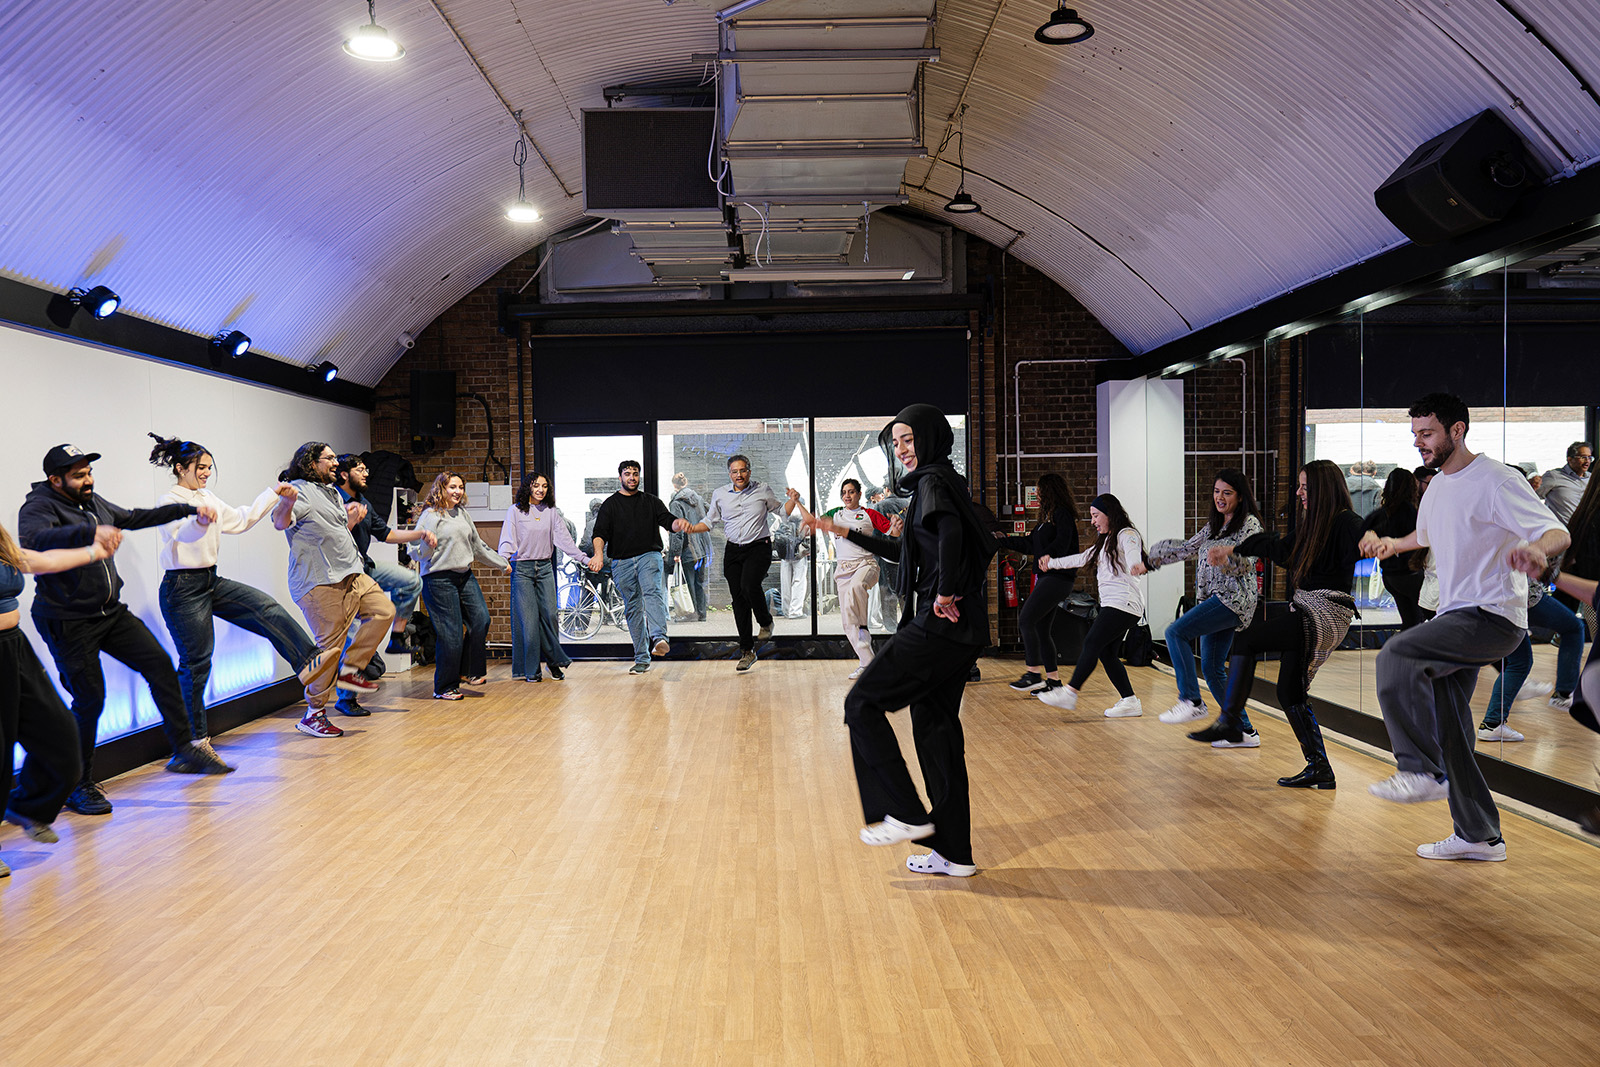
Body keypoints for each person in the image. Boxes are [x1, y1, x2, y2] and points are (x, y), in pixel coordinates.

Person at [1363, 393, 1568, 862]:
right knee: (1452, 729)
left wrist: (1539, 551)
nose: (1420, 443)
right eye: (1415, 434)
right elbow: (1429, 535)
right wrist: (1393, 544)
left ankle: (1419, 770)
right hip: (1457, 615)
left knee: (1397, 655)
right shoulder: (1436, 486)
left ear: (1457, 431)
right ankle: (1479, 835)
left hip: (1493, 615)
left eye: (1428, 432)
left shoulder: (1497, 480)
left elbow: (1556, 531)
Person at [804, 404, 992, 878]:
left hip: (938, 623)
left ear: (930, 438)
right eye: (897, 441)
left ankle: (904, 810)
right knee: (937, 735)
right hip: (960, 628)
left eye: (909, 439)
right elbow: (903, 550)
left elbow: (949, 533)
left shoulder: (931, 484)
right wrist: (841, 529)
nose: (902, 449)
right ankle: (954, 852)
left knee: (861, 703)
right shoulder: (943, 482)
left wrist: (945, 588)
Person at [19, 444, 220, 815]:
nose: (88, 479)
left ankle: (183, 749)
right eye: (79, 475)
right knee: (91, 700)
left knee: (159, 663)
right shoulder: (38, 507)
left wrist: (189, 508)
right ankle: (77, 785)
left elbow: (134, 517)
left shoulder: (92, 501)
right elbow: (35, 541)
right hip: (67, 620)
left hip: (109, 613)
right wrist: (89, 534)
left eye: (88, 472)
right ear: (56, 479)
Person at [149, 433, 320, 769]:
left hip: (209, 580)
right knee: (196, 664)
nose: (206, 473)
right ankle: (191, 746)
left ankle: (310, 661)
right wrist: (198, 522)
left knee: (264, 607)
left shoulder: (207, 496)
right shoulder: (169, 501)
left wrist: (274, 493)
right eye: (201, 467)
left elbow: (240, 520)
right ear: (180, 467)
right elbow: (179, 534)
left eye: (209, 468)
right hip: (181, 588)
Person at [1200, 460, 1363, 783]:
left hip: (1325, 611)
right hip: (1307, 608)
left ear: (1323, 488)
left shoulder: (1347, 523)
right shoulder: (1314, 525)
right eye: (1300, 485)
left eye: (1305, 486)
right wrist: (1235, 548)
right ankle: (1321, 768)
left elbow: (1364, 539)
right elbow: (1279, 547)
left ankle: (1231, 721)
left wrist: (1381, 543)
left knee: (1246, 640)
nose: (1300, 492)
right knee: (1289, 692)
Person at [1, 520, 120, 867]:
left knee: (63, 734)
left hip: (15, 649)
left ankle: (27, 807)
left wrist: (95, 552)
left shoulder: (2, 546)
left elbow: (42, 562)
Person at [272, 441, 393, 737]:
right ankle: (313, 713)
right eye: (329, 458)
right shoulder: (299, 489)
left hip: (351, 574)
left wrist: (349, 522)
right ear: (312, 463)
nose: (335, 462)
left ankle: (350, 674)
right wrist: (286, 503)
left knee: (384, 611)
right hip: (320, 582)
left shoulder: (331, 493)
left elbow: (334, 533)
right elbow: (279, 522)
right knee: (329, 650)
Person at [1137, 469, 1263, 732]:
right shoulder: (1214, 527)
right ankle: (1243, 730)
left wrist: (1226, 557)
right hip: (1215, 599)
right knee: (1212, 668)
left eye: (1227, 493)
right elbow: (1187, 548)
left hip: (1233, 600)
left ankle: (1191, 700)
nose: (1220, 498)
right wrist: (1150, 562)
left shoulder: (1249, 524)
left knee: (1175, 631)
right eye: (1217, 492)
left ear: (1240, 497)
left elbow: (1250, 562)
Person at [1035, 494, 1148, 718]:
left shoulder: (1127, 534)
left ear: (1110, 514)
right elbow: (1081, 559)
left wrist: (1136, 563)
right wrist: (1052, 563)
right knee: (1106, 653)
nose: (1093, 521)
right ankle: (1130, 701)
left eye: (1096, 516)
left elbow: (1134, 551)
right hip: (1116, 605)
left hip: (1123, 603)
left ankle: (1070, 692)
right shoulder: (1105, 541)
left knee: (1092, 641)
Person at [681, 455, 798, 672]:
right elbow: (709, 521)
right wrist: (691, 527)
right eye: (734, 471)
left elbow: (782, 512)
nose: (739, 475)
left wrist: (793, 498)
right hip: (733, 550)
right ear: (729, 474)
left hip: (759, 546)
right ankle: (747, 650)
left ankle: (765, 621)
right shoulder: (720, 494)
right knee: (739, 601)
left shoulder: (762, 490)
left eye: (743, 470)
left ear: (749, 471)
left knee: (749, 585)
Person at [410, 472, 511, 699]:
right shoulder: (430, 515)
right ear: (441, 489)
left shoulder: (462, 513)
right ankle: (444, 686)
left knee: (481, 620)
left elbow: (478, 546)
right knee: (451, 635)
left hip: (464, 576)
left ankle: (467, 671)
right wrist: (427, 544)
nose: (458, 491)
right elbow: (414, 552)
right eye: (453, 487)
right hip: (438, 579)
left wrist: (501, 563)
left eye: (461, 487)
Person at [590, 460, 687, 675]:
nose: (632, 477)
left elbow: (667, 520)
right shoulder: (610, 504)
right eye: (627, 474)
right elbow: (599, 534)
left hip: (648, 556)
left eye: (635, 474)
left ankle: (660, 638)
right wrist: (598, 554)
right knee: (633, 607)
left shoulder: (651, 501)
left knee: (652, 593)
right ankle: (642, 658)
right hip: (621, 562)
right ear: (620, 477)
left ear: (639, 477)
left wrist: (677, 524)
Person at [498, 471, 588, 682]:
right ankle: (531, 670)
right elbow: (507, 539)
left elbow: (564, 541)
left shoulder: (550, 512)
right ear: (528, 487)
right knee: (529, 623)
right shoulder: (516, 511)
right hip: (522, 570)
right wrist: (503, 561)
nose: (540, 490)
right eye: (536, 485)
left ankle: (553, 664)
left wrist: (583, 558)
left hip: (545, 568)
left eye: (545, 486)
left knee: (550, 617)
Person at [999, 473, 1080, 697]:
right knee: (1042, 630)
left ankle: (1033, 675)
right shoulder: (1046, 519)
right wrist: (1002, 540)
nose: (1036, 493)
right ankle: (1053, 682)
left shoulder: (1062, 515)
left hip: (1058, 578)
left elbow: (1063, 542)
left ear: (1050, 490)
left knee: (1026, 619)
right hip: (1048, 578)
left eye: (1039, 489)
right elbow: (1029, 544)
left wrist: (1049, 555)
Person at [1474, 577, 1583, 742]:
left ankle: (1492, 724)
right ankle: (1563, 693)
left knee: (1519, 662)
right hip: (1518, 597)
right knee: (1573, 627)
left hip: (1493, 600)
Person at [819, 478, 890, 678]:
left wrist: (897, 525)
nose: (847, 496)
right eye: (844, 492)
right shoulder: (835, 514)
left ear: (859, 494)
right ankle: (868, 663)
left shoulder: (869, 514)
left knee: (856, 588)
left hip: (866, 565)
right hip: (843, 570)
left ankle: (863, 626)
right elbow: (814, 522)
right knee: (848, 624)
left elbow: (892, 531)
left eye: (851, 492)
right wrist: (798, 503)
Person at [1361, 467, 1425, 630]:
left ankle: (1402, 652)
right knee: (1418, 621)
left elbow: (1363, 530)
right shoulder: (1411, 512)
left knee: (1410, 621)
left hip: (1389, 577)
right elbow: (1422, 539)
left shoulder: (1380, 513)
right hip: (1409, 574)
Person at [667, 473, 710, 622]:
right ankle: (702, 613)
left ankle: (692, 614)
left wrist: (676, 552)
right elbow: (710, 512)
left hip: (688, 550)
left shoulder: (676, 503)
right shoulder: (697, 498)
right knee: (699, 582)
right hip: (702, 548)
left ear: (675, 485)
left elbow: (677, 530)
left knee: (689, 582)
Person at [1537, 440, 1592, 524]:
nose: (1587, 461)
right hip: (1562, 531)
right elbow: (1533, 496)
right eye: (1583, 457)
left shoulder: (1591, 478)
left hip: (1586, 532)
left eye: (1589, 457)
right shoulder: (1554, 476)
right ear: (1570, 459)